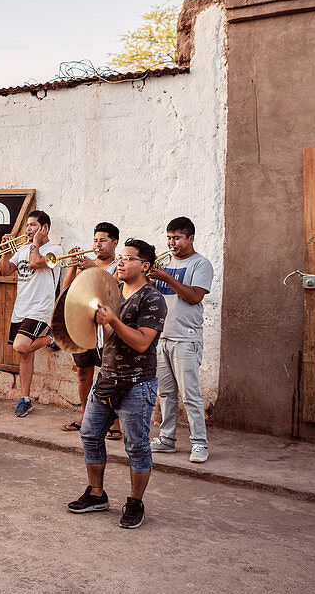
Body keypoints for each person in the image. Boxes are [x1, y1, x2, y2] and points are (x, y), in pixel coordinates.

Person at [68, 239, 166, 529]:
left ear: (145, 266)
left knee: (136, 446)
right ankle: (96, 493)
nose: (121, 262)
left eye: (129, 258)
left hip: (137, 382)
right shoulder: (112, 290)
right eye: (120, 257)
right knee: (89, 435)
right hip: (107, 377)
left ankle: (135, 503)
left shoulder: (152, 298)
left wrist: (112, 320)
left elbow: (141, 342)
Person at [148, 217, 214, 464]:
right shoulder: (163, 265)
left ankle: (199, 443)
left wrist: (166, 278)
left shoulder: (201, 264)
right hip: (162, 336)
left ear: (191, 238)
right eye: (169, 237)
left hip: (186, 338)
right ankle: (167, 439)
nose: (171, 243)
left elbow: (195, 297)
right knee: (166, 393)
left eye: (176, 237)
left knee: (191, 395)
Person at [60, 222, 122, 437]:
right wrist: (74, 267)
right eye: (95, 240)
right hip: (83, 325)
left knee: (109, 374)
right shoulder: (87, 265)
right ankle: (86, 414)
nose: (97, 244)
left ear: (114, 243)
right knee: (83, 372)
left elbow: (112, 289)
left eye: (102, 240)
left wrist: (91, 268)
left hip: (107, 329)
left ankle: (114, 422)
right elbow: (68, 289)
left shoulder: (119, 266)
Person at [0, 210, 60, 418]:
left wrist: (36, 243)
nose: (28, 229)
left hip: (40, 309)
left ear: (45, 228)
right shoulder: (23, 249)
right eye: (27, 226)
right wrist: (6, 251)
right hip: (21, 308)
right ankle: (25, 399)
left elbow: (35, 262)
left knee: (20, 346)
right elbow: (6, 271)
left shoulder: (54, 250)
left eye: (32, 225)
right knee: (25, 354)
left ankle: (51, 338)